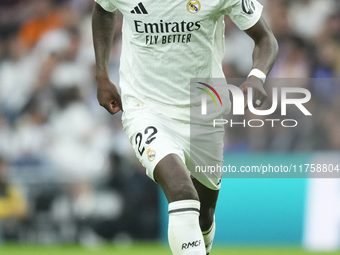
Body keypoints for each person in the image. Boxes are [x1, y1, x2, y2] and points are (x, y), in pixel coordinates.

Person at [92, 0, 278, 254]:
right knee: (181, 192)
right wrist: (102, 74)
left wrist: (257, 77)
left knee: (204, 215)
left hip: (203, 114)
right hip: (145, 108)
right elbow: (103, 9)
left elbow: (266, 39)